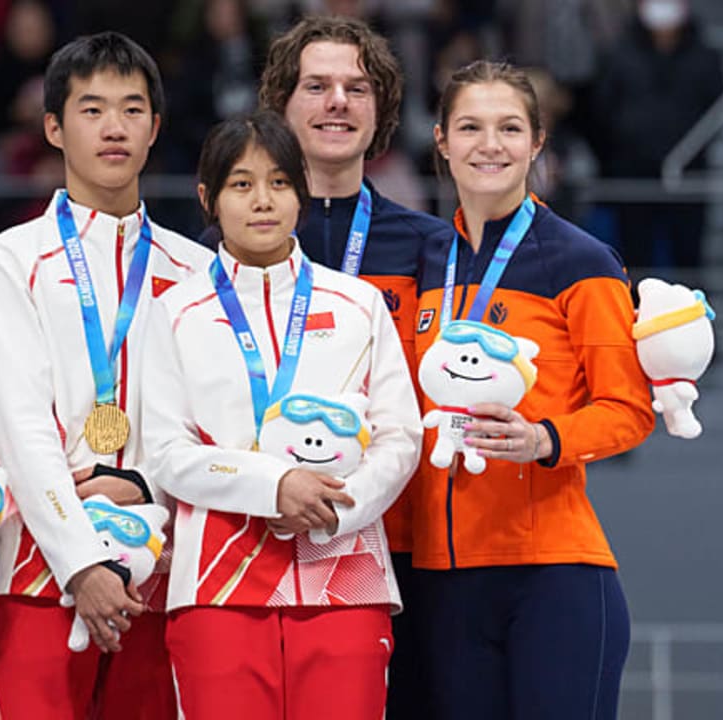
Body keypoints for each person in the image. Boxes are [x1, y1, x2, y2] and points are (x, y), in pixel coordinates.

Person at [141, 110, 420, 720]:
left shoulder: (358, 304)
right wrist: (277, 487)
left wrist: (331, 510)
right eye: (241, 184)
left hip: (345, 575)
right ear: (207, 199)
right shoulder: (174, 311)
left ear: (301, 192)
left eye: (279, 182)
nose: (262, 201)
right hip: (217, 584)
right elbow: (165, 451)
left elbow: (401, 437)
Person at [0, 31, 213, 719]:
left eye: (133, 110)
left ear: (156, 127)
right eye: (92, 108)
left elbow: (210, 427)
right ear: (53, 126)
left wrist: (140, 483)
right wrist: (80, 562)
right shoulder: (12, 260)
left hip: (158, 573)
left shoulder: (195, 271)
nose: (114, 127)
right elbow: (17, 427)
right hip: (37, 573)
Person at [415, 60, 655, 719]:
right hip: (442, 579)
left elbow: (629, 410)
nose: (489, 144)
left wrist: (545, 437)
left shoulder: (581, 260)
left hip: (552, 574)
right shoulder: (426, 261)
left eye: (509, 127)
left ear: (537, 142)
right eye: (470, 126)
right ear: (441, 140)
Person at [254, 14, 455, 715]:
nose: (338, 101)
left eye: (357, 88)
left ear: (381, 112)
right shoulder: (230, 241)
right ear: (283, 104)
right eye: (317, 85)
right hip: (262, 529)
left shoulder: (433, 247)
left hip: (401, 542)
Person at [590, 0, 723, 269]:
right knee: (634, 255)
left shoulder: (705, 56)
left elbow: (716, 111)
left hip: (689, 173)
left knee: (688, 257)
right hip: (631, 172)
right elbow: (602, 109)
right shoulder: (618, 54)